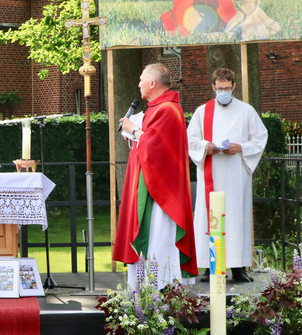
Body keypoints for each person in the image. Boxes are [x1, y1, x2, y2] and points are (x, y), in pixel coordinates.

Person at [114, 63, 198, 289]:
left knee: (158, 239)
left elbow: (155, 145)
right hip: (149, 183)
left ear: (152, 83)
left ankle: (161, 292)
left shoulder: (168, 110)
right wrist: (135, 133)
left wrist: (133, 130)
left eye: (141, 79)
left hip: (162, 193)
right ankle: (144, 289)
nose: (138, 83)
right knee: (149, 239)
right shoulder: (156, 108)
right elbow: (148, 138)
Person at [187, 68, 268, 282]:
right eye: (219, 88)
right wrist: (206, 147)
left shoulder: (246, 111)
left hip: (236, 175)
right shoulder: (203, 111)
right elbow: (191, 140)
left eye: (227, 87)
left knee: (236, 216)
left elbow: (260, 138)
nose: (223, 91)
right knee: (209, 216)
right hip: (211, 172)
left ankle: (238, 266)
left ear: (233, 86)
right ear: (213, 87)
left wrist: (240, 147)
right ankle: (210, 265)